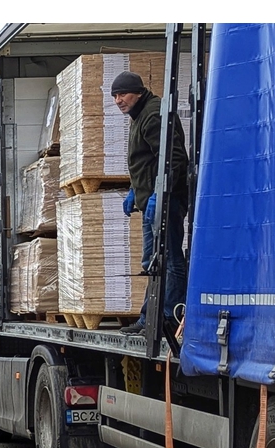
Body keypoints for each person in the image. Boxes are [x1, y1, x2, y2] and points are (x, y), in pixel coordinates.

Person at [111, 71, 189, 336]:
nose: (118, 100)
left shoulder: (153, 114)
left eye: (122, 94)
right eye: (114, 96)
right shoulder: (139, 115)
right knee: (153, 261)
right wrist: (135, 190)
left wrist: (160, 193)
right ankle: (149, 317)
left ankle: (168, 317)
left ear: (138, 91)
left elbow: (172, 158)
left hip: (167, 199)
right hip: (150, 201)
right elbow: (147, 161)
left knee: (170, 258)